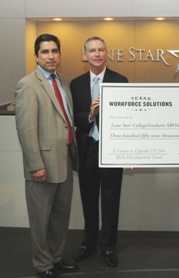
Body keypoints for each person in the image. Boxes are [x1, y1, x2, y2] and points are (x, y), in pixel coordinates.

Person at [15, 34, 79, 278]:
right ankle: (43, 265)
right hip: (42, 166)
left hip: (65, 161)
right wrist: (35, 165)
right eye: (45, 52)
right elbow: (26, 129)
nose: (51, 56)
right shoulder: (28, 84)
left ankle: (56, 258)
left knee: (59, 218)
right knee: (40, 220)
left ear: (59, 54)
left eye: (54, 51)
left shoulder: (63, 80)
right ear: (36, 56)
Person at [70, 36, 128, 267]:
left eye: (101, 49)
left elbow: (128, 117)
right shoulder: (76, 83)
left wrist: (127, 151)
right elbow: (72, 116)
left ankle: (108, 246)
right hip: (87, 149)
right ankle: (89, 243)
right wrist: (91, 116)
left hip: (111, 150)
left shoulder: (120, 80)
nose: (97, 54)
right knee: (89, 199)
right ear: (85, 55)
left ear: (107, 53)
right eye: (92, 50)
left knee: (111, 200)